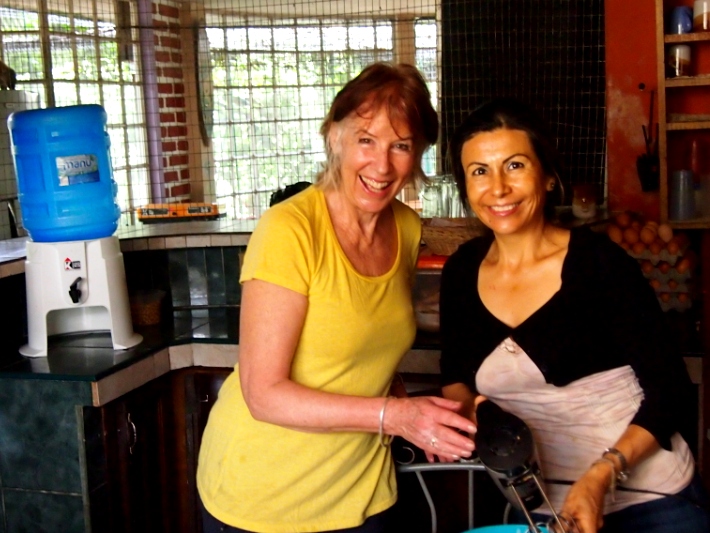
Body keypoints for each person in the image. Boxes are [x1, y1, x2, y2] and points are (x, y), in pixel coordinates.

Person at [196, 62, 476, 533]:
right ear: (334, 136)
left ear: (419, 154)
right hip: (267, 499)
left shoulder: (406, 228)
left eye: (401, 145)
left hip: (364, 490)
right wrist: (398, 417)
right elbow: (263, 395)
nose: (382, 165)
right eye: (366, 139)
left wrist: (418, 416)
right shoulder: (290, 230)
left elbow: (367, 349)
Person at [439, 98, 710, 533]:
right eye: (479, 171)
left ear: (547, 177)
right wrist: (479, 410)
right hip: (543, 509)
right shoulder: (460, 273)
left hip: (650, 502)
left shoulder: (600, 264)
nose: (498, 189)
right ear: (465, 188)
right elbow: (454, 376)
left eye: (514, 166)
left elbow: (672, 392)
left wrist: (603, 475)